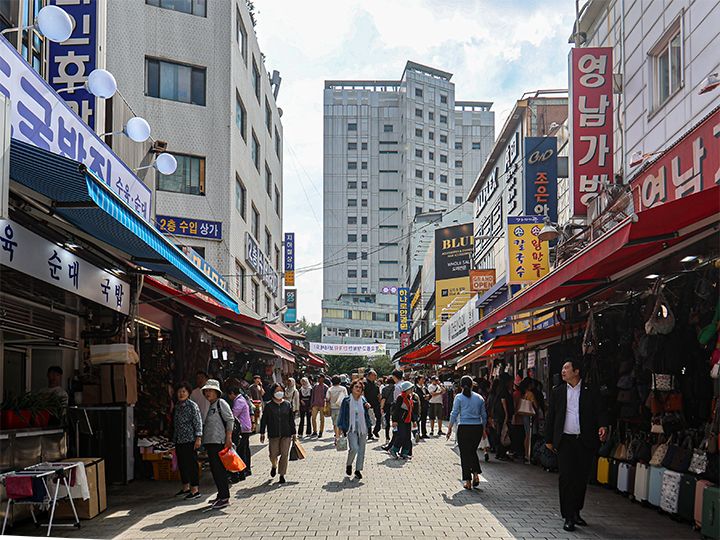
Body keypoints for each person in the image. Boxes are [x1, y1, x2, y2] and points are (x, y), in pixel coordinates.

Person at [545, 360, 608, 532]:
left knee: (581, 478)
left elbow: (600, 411)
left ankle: (576, 511)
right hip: (565, 441)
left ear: (577, 371)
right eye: (562, 368)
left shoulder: (590, 391)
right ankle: (567, 516)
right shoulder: (557, 392)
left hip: (584, 440)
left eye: (566, 368)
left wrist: (603, 425)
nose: (563, 371)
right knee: (566, 478)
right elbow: (551, 416)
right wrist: (548, 439)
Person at [446, 376, 488, 490]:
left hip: (464, 428)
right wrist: (483, 429)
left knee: (465, 454)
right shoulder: (479, 398)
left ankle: (468, 481)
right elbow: (484, 416)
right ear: (472, 385)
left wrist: (449, 428)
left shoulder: (459, 397)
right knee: (472, 451)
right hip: (477, 428)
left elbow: (454, 413)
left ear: (461, 386)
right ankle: (476, 474)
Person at [200, 379, 234, 510]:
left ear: (217, 392)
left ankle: (224, 497)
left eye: (210, 390)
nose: (208, 393)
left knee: (219, 470)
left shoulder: (221, 403)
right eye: (206, 391)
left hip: (219, 442)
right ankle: (220, 495)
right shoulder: (211, 405)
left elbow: (230, 419)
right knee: (215, 470)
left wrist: (228, 438)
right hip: (211, 443)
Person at [259, 383, 296, 484]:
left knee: (284, 454)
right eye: (277, 391)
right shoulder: (269, 406)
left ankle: (282, 475)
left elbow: (291, 420)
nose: (279, 393)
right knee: (273, 454)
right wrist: (262, 432)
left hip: (286, 433)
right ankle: (274, 465)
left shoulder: (287, 404)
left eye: (281, 390)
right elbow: (264, 420)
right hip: (273, 434)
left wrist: (294, 433)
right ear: (273, 392)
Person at [337, 380, 373, 479]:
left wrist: (368, 406)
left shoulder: (363, 400)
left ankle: (358, 470)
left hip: (363, 427)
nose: (358, 389)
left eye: (360, 387)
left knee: (362, 449)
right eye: (356, 387)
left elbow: (367, 414)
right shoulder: (346, 400)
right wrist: (339, 430)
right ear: (352, 388)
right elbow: (342, 415)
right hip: (351, 428)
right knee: (354, 448)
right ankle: (349, 464)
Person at [172, 382, 202, 499]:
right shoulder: (177, 406)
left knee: (191, 464)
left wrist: (198, 438)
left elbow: (197, 422)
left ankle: (195, 490)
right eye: (179, 391)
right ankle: (186, 487)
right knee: (182, 464)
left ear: (188, 393)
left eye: (184, 391)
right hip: (179, 440)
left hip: (190, 439)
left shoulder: (192, 406)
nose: (181, 394)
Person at [227, 386, 252, 480]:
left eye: (229, 395)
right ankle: (245, 471)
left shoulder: (239, 401)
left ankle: (242, 473)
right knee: (244, 450)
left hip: (242, 429)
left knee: (241, 451)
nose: (229, 397)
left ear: (232, 393)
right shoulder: (242, 399)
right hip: (245, 428)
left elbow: (233, 415)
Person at [389, 381, 418, 459]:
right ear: (406, 389)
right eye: (410, 388)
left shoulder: (409, 397)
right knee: (401, 436)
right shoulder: (400, 397)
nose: (412, 390)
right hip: (401, 420)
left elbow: (410, 410)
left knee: (407, 437)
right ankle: (394, 450)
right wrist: (394, 420)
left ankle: (404, 452)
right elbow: (396, 410)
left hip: (408, 420)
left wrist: (414, 421)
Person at [493, 373, 514, 461]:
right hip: (502, 416)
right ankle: (502, 453)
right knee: (503, 433)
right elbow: (503, 402)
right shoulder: (504, 391)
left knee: (500, 433)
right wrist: (506, 415)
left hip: (499, 415)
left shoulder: (499, 389)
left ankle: (499, 453)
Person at [326, 375, 349, 441]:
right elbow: (346, 397)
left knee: (335, 423)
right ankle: (338, 435)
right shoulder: (343, 389)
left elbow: (327, 398)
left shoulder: (330, 389)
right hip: (341, 408)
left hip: (333, 408)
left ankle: (337, 436)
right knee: (339, 423)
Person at [363, 370, 381, 441]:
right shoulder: (365, 383)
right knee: (368, 419)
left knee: (379, 417)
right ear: (369, 376)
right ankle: (370, 434)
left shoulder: (376, 384)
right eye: (374, 375)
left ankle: (376, 430)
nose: (375, 377)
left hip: (376, 403)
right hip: (367, 403)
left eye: (376, 375)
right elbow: (363, 394)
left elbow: (378, 394)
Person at [380, 374, 396, 443]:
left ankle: (387, 437)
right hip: (395, 406)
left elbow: (383, 399)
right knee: (395, 421)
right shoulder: (397, 387)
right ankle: (395, 437)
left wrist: (381, 408)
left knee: (387, 422)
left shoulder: (384, 389)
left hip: (387, 406)